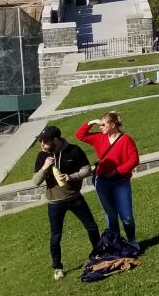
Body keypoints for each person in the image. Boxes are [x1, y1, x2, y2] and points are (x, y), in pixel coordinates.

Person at [33, 125, 101, 280]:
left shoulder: (73, 150)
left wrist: (72, 177)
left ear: (56, 140)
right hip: (55, 203)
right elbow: (36, 181)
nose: (42, 144)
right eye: (41, 141)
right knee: (56, 236)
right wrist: (44, 168)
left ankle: (98, 254)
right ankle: (57, 268)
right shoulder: (42, 156)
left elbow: (87, 170)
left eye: (45, 141)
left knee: (92, 226)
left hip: (75, 198)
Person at [75, 112, 141, 245]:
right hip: (102, 182)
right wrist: (92, 122)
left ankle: (132, 240)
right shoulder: (99, 138)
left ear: (113, 124)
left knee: (126, 216)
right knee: (110, 216)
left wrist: (116, 171)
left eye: (103, 124)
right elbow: (79, 135)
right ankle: (115, 243)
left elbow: (134, 160)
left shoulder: (126, 139)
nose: (101, 127)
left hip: (121, 182)